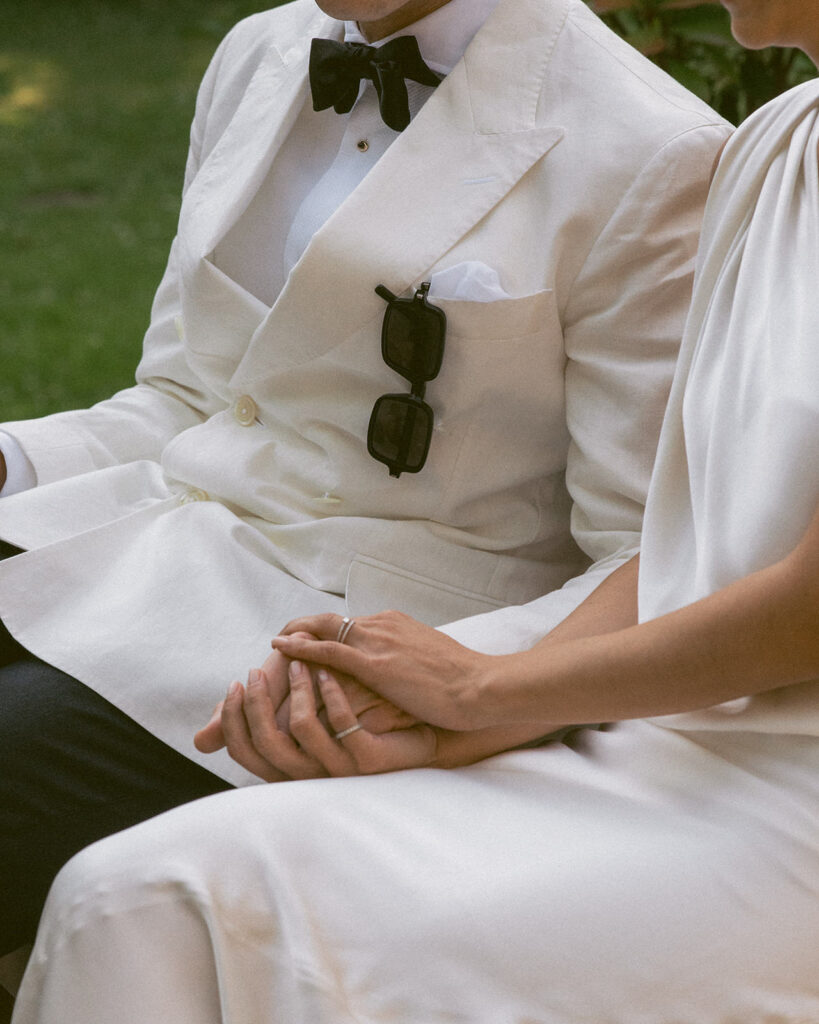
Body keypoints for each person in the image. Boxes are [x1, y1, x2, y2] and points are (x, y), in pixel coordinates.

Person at [6, 0, 817, 1019]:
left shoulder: (658, 149)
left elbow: (651, 552)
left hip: (328, 647)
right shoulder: (258, 55)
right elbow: (186, 397)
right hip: (125, 562)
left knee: (117, 887)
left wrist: (475, 690)